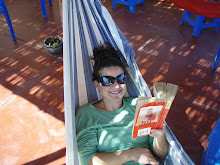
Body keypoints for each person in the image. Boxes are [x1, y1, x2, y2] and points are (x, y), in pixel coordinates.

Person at [75, 44, 168, 165]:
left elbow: (160, 154)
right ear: (97, 84)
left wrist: (160, 136)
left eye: (121, 78)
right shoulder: (87, 113)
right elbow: (88, 161)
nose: (117, 86)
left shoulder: (140, 106)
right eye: (108, 80)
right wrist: (132, 154)